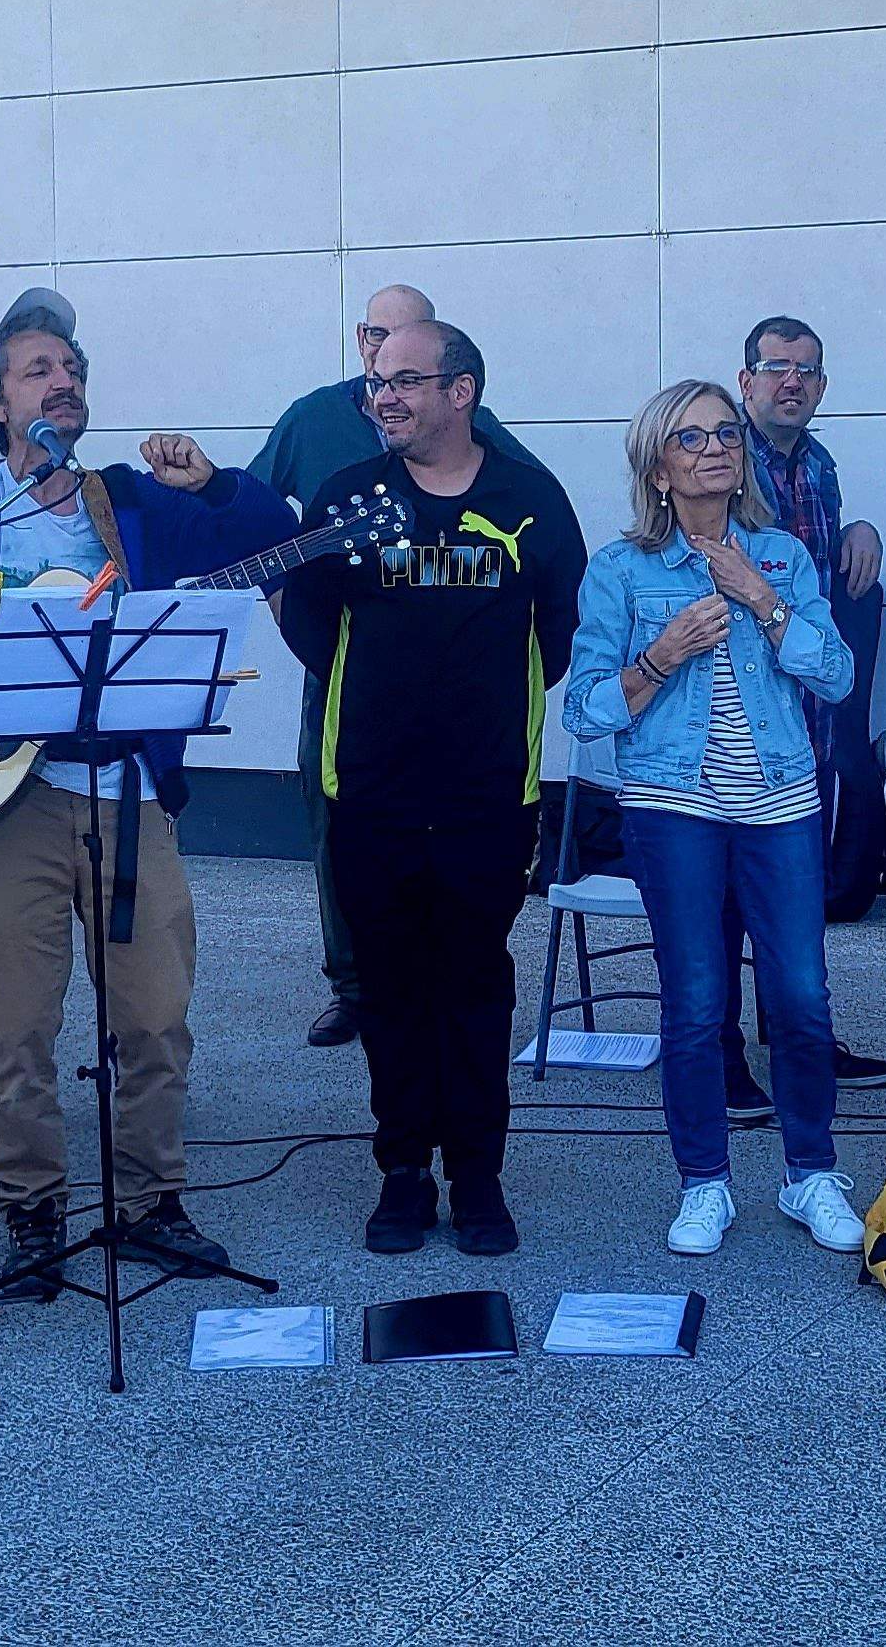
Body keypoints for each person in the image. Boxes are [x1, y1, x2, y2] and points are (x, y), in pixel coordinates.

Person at [0, 293, 299, 1286]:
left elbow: (262, 532)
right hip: (0, 807)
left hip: (123, 792)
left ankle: (152, 1201)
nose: (60, 382)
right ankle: (30, 1212)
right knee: (16, 1029)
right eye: (36, 370)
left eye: (69, 369)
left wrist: (209, 486)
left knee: (154, 1016)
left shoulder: (132, 501)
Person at [279, 319, 585, 1258]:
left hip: (488, 798)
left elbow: (558, 634)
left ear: (463, 391)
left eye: (407, 380)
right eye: (378, 382)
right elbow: (311, 628)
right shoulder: (346, 497)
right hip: (368, 792)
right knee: (391, 991)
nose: (386, 397)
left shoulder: (528, 498)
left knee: (474, 984)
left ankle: (481, 1179)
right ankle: (404, 1172)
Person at [563, 380, 865, 1258]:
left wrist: (760, 600)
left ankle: (811, 1174)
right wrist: (661, 655)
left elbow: (836, 677)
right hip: (672, 807)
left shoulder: (781, 556)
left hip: (780, 803)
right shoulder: (622, 570)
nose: (714, 449)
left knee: (803, 999)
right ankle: (705, 1183)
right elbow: (585, 708)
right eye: (690, 439)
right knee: (694, 1005)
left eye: (724, 435)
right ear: (659, 466)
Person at [250, 283, 532, 1051]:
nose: (385, 358)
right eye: (375, 338)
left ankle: (438, 977)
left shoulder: (476, 422)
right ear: (358, 338)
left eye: (405, 344)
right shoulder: (313, 418)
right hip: (345, 670)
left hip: (455, 689)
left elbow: (530, 517)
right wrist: (288, 605)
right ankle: (353, 984)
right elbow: (250, 512)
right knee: (336, 822)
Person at [714, 315, 886, 1098]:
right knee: (726, 890)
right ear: (747, 378)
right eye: (777, 368)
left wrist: (862, 527)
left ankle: (800, 1039)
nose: (792, 382)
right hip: (734, 708)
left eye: (808, 372)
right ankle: (718, 1053)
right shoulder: (717, 454)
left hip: (806, 714)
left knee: (794, 883)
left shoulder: (818, 465)